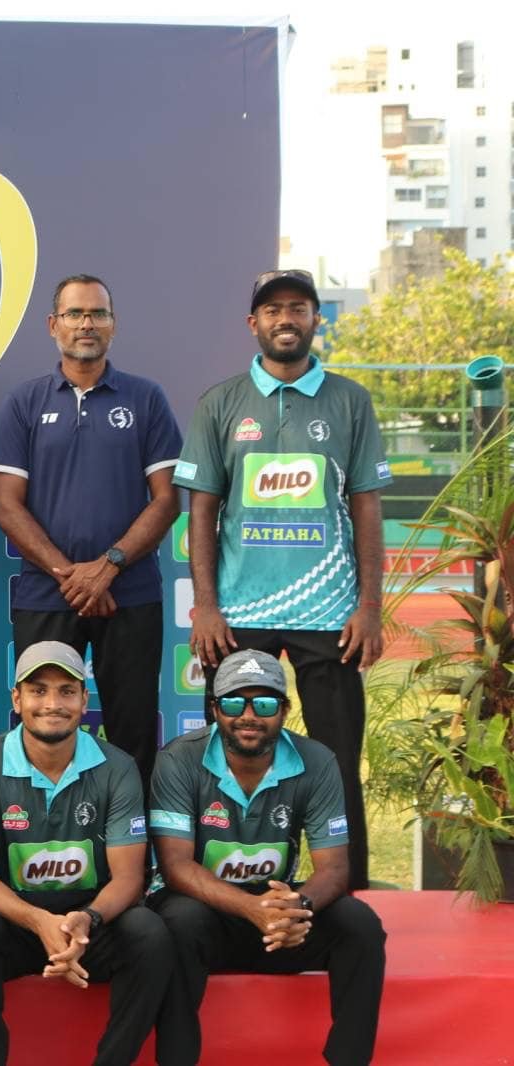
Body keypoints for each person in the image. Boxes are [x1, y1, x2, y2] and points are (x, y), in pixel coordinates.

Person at [174, 268, 390, 888]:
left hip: (330, 615)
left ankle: (347, 894)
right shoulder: (221, 402)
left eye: (298, 307)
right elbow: (203, 510)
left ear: (316, 319)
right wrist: (206, 606)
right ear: (254, 324)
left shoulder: (350, 400)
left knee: (337, 762)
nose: (285, 319)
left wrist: (369, 606)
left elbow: (367, 507)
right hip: (239, 616)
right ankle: (224, 891)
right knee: (229, 762)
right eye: (273, 310)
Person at [0, 274, 182, 786]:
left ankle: (131, 838)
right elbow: (6, 506)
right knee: (41, 730)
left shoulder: (146, 398)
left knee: (133, 730)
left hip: (129, 593)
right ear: (54, 325)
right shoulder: (25, 402)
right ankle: (36, 831)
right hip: (46, 594)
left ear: (113, 325)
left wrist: (108, 567)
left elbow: (167, 500)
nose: (86, 324)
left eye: (98, 314)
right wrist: (71, 575)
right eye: (75, 314)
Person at [149, 649, 386, 1066]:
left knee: (360, 924)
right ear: (214, 709)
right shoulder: (178, 759)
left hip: (279, 918)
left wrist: (298, 906)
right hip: (208, 913)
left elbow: (335, 868)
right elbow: (175, 866)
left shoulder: (317, 761)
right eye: (234, 704)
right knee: (178, 922)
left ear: (285, 710)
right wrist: (251, 909)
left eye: (263, 704)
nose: (248, 716)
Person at [0, 641, 172, 1066]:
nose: (52, 704)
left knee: (150, 934)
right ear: (17, 699)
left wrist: (87, 920)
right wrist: (38, 921)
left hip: (89, 923)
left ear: (84, 701)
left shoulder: (118, 766)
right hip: (13, 921)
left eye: (67, 691)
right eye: (38, 690)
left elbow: (129, 877)